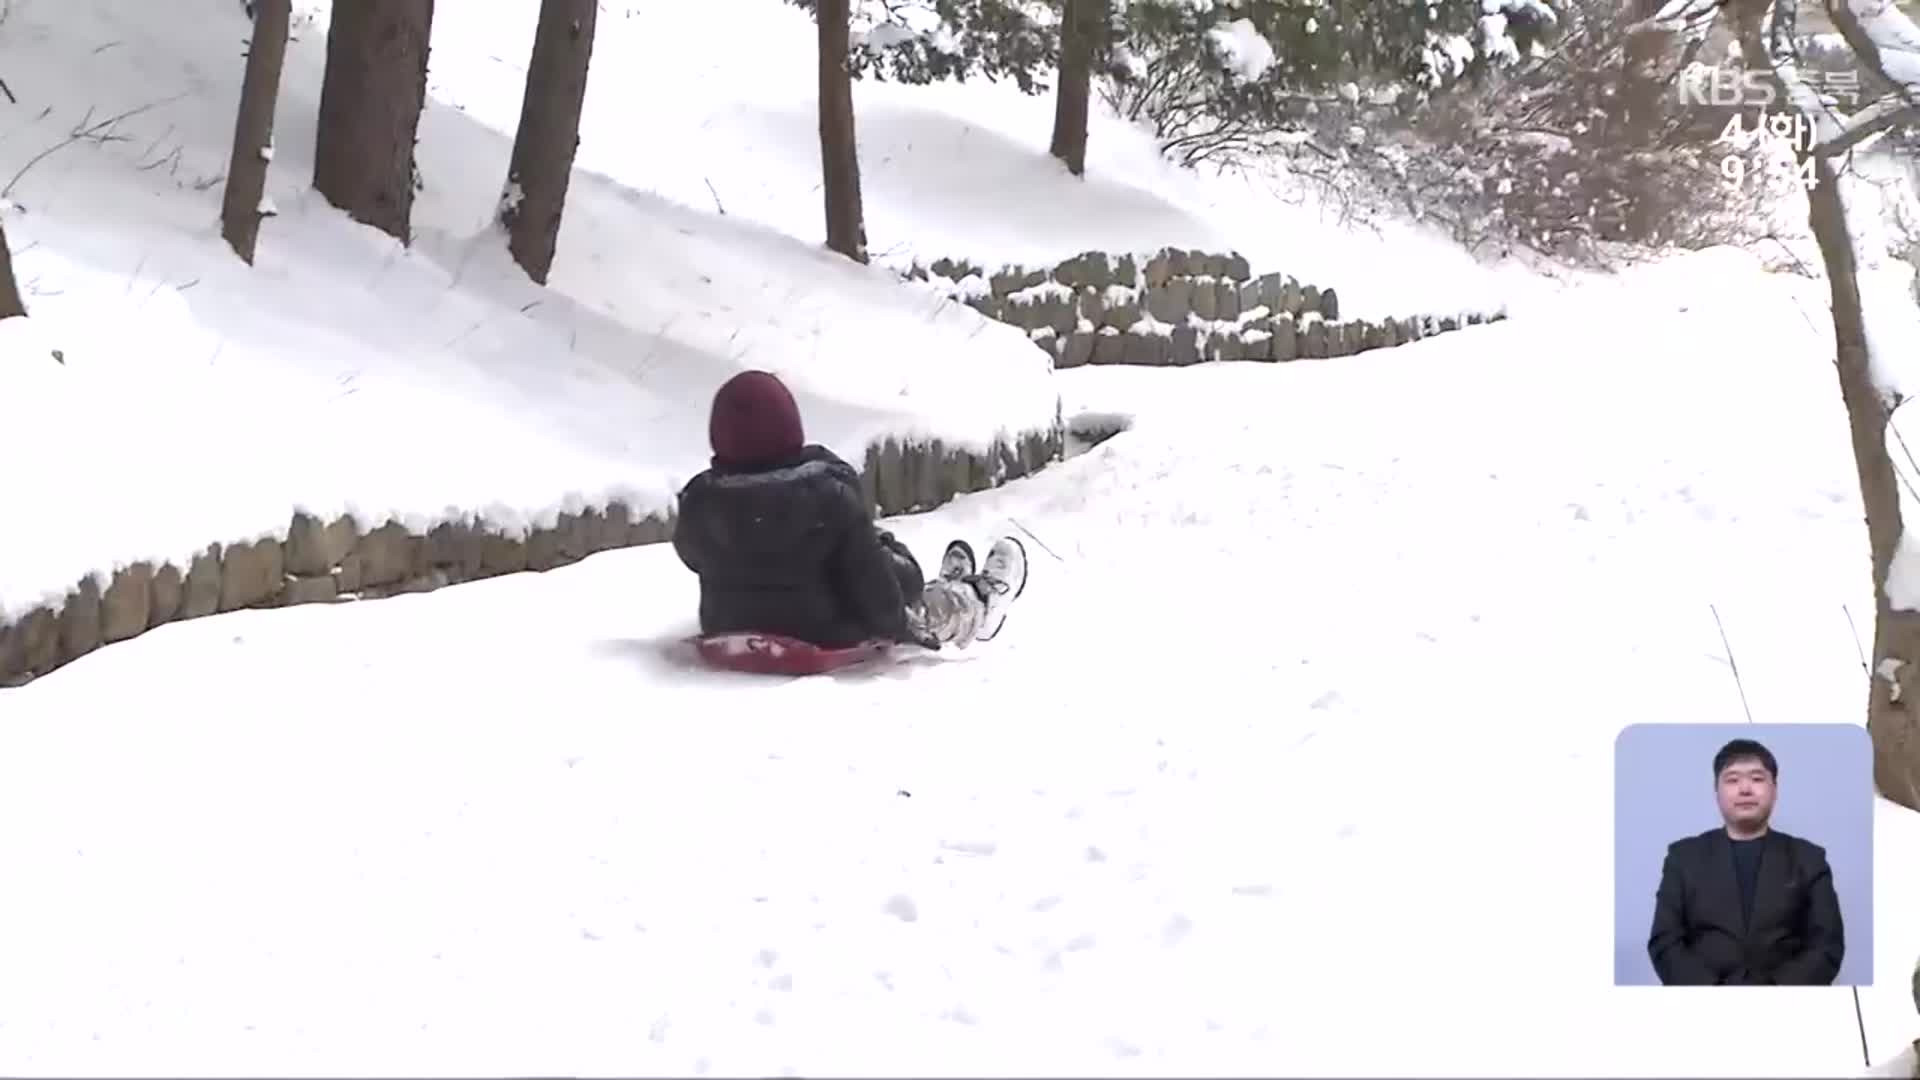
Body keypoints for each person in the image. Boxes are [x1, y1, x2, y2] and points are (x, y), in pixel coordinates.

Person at [671, 370, 1028, 653]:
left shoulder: (700, 503)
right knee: (914, 599)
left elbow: (692, 555)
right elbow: (881, 603)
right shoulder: (827, 496)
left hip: (730, 627)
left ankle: (955, 588)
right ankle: (975, 603)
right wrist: (896, 569)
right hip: (826, 633)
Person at [1646, 737, 1845, 986]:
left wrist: (1775, 993)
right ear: (1716, 791)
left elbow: (1827, 945)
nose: (1745, 789)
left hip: (1788, 1004)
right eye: (1732, 779)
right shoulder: (1683, 857)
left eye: (1757, 778)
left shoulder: (1808, 858)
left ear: (1775, 790)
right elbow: (1665, 942)